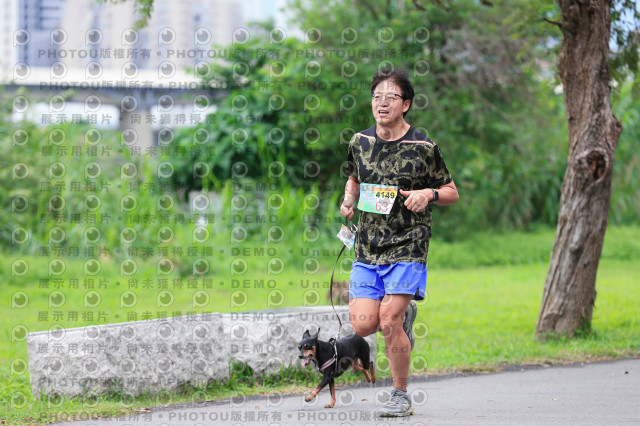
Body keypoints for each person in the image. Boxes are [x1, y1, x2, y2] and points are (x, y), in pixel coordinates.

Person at [340, 69, 459, 417]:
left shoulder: (424, 147)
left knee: (388, 321)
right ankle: (404, 315)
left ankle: (399, 393)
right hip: (367, 247)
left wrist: (429, 193)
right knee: (363, 324)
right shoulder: (359, 141)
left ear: (405, 104)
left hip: (409, 244)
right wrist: (348, 200)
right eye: (377, 96)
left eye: (390, 97)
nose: (382, 102)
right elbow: (353, 177)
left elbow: (452, 192)